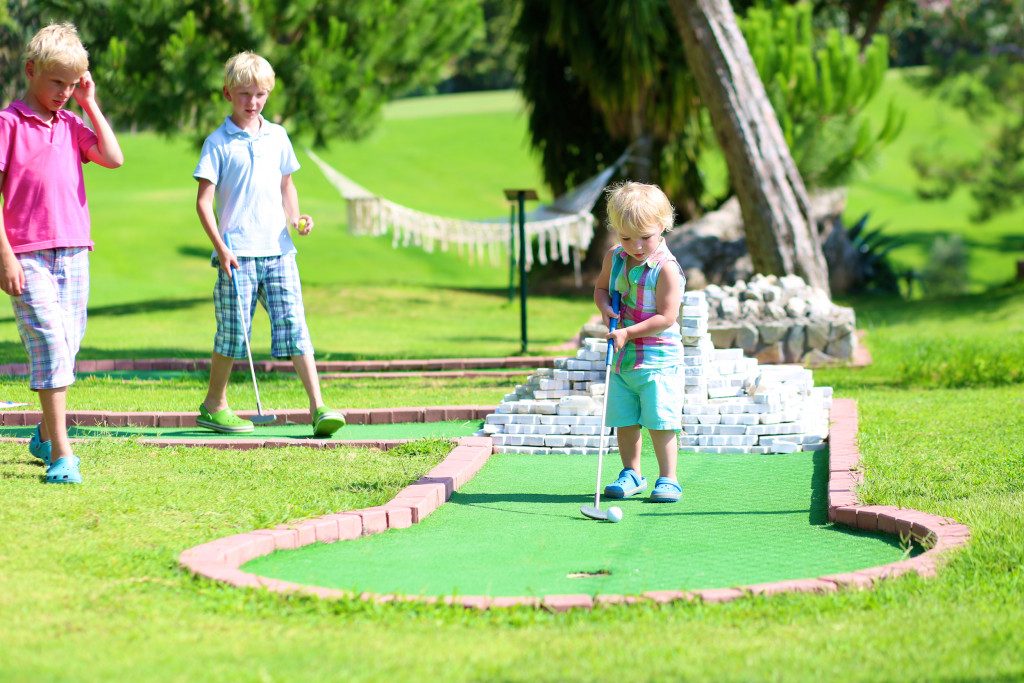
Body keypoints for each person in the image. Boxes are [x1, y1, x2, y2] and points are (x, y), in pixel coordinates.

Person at [193, 51, 345, 437]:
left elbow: (286, 186)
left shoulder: (278, 136)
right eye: (244, 93)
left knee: (294, 324)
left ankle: (318, 407)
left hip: (278, 250)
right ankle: (214, 406)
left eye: (260, 94)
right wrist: (221, 248)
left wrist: (296, 219)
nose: (253, 101)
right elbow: (203, 203)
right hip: (236, 254)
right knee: (233, 332)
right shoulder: (217, 142)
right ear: (228, 93)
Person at [0, 23, 124, 484]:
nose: (65, 92)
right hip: (26, 254)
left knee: (67, 350)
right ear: (31, 70)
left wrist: (90, 102)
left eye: (73, 85)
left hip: (74, 252)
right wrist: (5, 257)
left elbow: (113, 158)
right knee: (51, 346)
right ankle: (62, 454)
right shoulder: (7, 125)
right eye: (57, 83)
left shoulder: (73, 123)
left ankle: (44, 433)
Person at [593, 181, 685, 503]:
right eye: (625, 237)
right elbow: (602, 291)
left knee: (660, 420)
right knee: (625, 420)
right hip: (622, 358)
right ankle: (631, 473)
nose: (636, 246)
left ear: (663, 226)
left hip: (658, 359)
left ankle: (668, 478)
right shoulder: (615, 258)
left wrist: (628, 332)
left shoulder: (666, 269)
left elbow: (667, 317)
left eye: (644, 237)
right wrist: (606, 310)